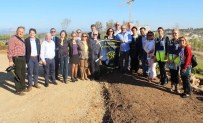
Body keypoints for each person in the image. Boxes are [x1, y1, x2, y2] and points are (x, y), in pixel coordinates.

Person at [7, 26, 27, 95]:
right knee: (18, 74)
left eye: (22, 32)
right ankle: (18, 90)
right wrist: (10, 60)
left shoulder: (23, 39)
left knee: (23, 74)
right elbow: (10, 50)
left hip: (23, 58)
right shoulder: (13, 39)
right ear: (16, 31)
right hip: (17, 58)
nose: (21, 33)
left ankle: (23, 87)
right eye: (19, 31)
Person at [167, 29, 181, 93]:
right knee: (172, 73)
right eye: (173, 33)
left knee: (177, 74)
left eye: (175, 33)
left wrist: (173, 60)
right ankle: (172, 86)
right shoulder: (170, 41)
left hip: (177, 59)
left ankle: (177, 87)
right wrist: (168, 59)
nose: (174, 34)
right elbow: (168, 51)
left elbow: (179, 52)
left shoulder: (180, 41)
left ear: (178, 34)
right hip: (170, 58)